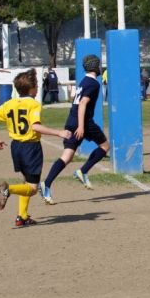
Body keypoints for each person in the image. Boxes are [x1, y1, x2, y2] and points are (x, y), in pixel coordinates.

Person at [0, 69, 71, 226]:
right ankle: (8, 190)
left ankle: (21, 217)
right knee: (33, 188)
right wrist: (59, 133)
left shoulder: (9, 104)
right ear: (32, 88)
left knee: (26, 181)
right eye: (36, 85)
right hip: (31, 148)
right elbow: (35, 127)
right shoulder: (34, 104)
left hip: (16, 147)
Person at [39, 55, 110, 205]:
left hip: (72, 120)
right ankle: (82, 171)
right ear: (96, 67)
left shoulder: (83, 81)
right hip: (83, 122)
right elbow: (83, 104)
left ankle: (47, 183)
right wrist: (82, 126)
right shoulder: (94, 83)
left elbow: (76, 100)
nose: (100, 68)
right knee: (105, 146)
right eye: (99, 65)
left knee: (67, 156)